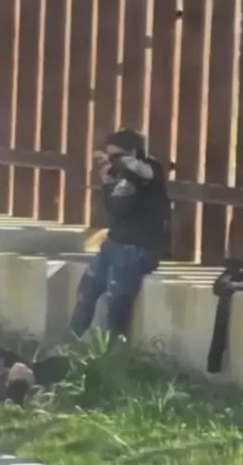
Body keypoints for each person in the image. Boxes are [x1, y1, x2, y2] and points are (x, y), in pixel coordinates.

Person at [69, 128, 172, 341]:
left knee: (115, 306)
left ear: (133, 152)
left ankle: (112, 357)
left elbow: (147, 173)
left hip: (138, 249)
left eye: (117, 155)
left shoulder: (150, 169)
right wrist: (108, 182)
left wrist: (127, 166)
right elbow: (116, 209)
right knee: (85, 294)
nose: (113, 161)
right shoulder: (119, 176)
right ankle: (67, 347)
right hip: (114, 244)